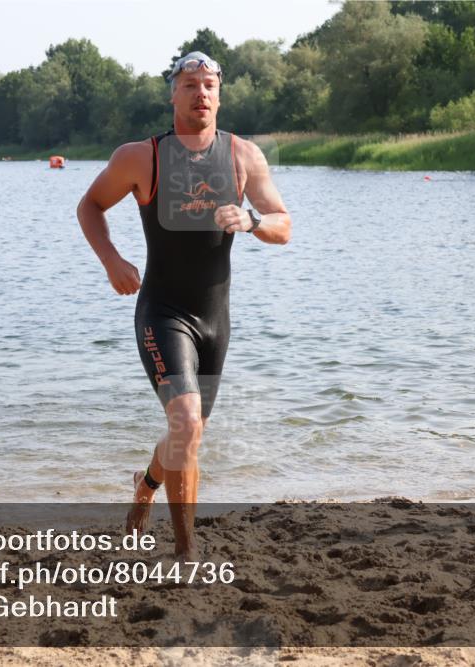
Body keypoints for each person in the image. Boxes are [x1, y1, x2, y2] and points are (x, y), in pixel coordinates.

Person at [77, 51, 291, 559]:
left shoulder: (243, 156)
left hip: (216, 319)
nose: (201, 93)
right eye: (190, 84)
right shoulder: (141, 156)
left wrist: (252, 221)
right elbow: (90, 205)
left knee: (187, 434)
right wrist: (111, 260)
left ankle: (145, 484)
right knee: (187, 423)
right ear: (172, 93)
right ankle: (186, 550)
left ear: (220, 94)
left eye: (209, 84)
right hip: (163, 311)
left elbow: (282, 223)